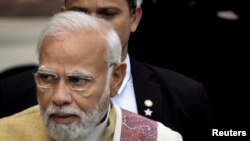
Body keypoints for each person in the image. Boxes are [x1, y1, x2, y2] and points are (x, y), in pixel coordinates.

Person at [0, 0, 211, 140]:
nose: (60, 97)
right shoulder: (8, 119)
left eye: (78, 80)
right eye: (47, 78)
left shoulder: (166, 127)